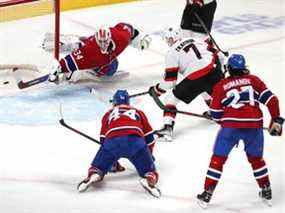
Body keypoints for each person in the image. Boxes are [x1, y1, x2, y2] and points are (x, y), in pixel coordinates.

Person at [196, 54, 284, 208]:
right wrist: (276, 119)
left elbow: (215, 112)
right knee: (256, 159)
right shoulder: (254, 80)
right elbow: (272, 100)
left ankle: (207, 192)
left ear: (229, 69)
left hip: (230, 128)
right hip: (254, 126)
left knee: (218, 158)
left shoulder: (220, 85)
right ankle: (266, 189)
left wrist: (223, 120)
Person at [77, 90, 161, 198]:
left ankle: (95, 174)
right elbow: (150, 137)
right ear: (128, 102)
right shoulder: (138, 112)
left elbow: (103, 140)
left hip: (113, 142)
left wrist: (112, 162)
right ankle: (149, 178)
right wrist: (148, 154)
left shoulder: (108, 114)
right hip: (135, 142)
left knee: (98, 167)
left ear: (114, 102)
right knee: (149, 171)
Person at [148, 28, 224, 141]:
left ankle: (167, 130)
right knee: (204, 88)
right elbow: (220, 55)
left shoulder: (171, 52)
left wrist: (157, 90)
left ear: (170, 39)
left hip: (196, 78)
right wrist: (221, 70)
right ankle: (216, 112)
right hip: (215, 70)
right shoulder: (194, 39)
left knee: (170, 100)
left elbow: (170, 82)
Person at [43, 23, 151, 83]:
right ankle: (72, 43)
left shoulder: (122, 38)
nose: (103, 44)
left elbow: (128, 27)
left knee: (111, 67)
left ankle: (77, 43)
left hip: (102, 56)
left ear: (110, 38)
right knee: (98, 65)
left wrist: (139, 40)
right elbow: (74, 58)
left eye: (105, 41)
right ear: (97, 39)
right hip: (92, 49)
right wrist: (60, 67)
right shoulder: (94, 48)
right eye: (101, 42)